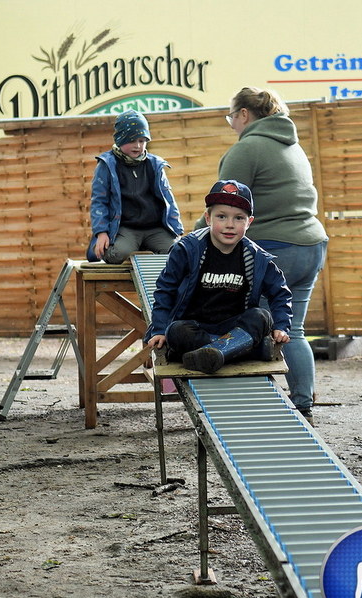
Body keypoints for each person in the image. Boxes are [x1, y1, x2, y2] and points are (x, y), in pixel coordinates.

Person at [197, 87, 328, 421]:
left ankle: (253, 411)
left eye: (231, 117)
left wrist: (193, 237)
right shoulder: (292, 145)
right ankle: (303, 404)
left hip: (275, 250)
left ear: (244, 115)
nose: (231, 124)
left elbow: (224, 204)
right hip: (311, 246)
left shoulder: (247, 148)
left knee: (253, 330)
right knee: (292, 330)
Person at [145, 180, 292, 374]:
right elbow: (165, 289)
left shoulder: (255, 257)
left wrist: (281, 326)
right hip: (196, 326)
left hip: (235, 327)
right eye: (221, 216)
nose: (230, 225)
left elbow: (280, 292)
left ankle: (214, 353)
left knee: (261, 317)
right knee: (176, 331)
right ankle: (238, 350)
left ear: (249, 222)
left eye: (239, 218)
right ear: (208, 218)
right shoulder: (187, 249)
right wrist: (159, 329)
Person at [86, 109, 183, 263]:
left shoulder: (155, 165)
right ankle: (99, 246)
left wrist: (177, 230)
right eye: (131, 140)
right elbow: (99, 201)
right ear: (120, 139)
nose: (137, 145)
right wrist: (101, 232)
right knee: (117, 254)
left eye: (142, 141)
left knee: (178, 253)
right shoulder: (107, 165)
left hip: (154, 227)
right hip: (126, 228)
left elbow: (168, 199)